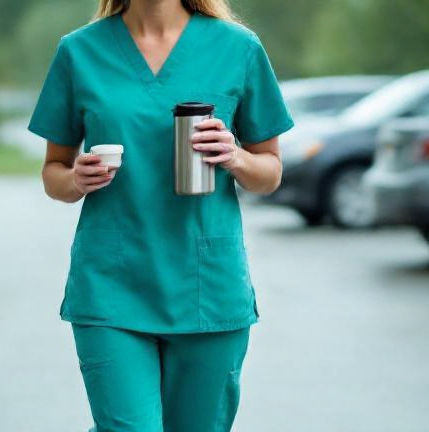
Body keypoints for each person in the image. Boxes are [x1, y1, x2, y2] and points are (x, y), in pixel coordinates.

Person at [28, 0, 294, 431]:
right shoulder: (79, 52)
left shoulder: (239, 48)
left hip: (207, 288)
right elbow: (53, 172)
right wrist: (75, 178)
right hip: (112, 286)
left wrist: (235, 156)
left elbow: (270, 173)